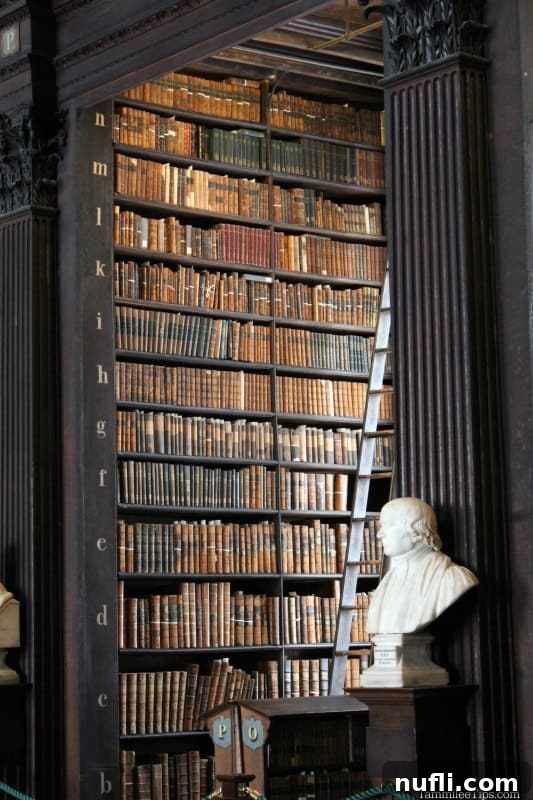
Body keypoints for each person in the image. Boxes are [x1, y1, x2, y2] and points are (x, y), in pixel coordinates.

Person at [367, 497, 478, 634]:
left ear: (415, 529)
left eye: (389, 524)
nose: (379, 534)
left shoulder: (453, 579)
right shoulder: (387, 583)